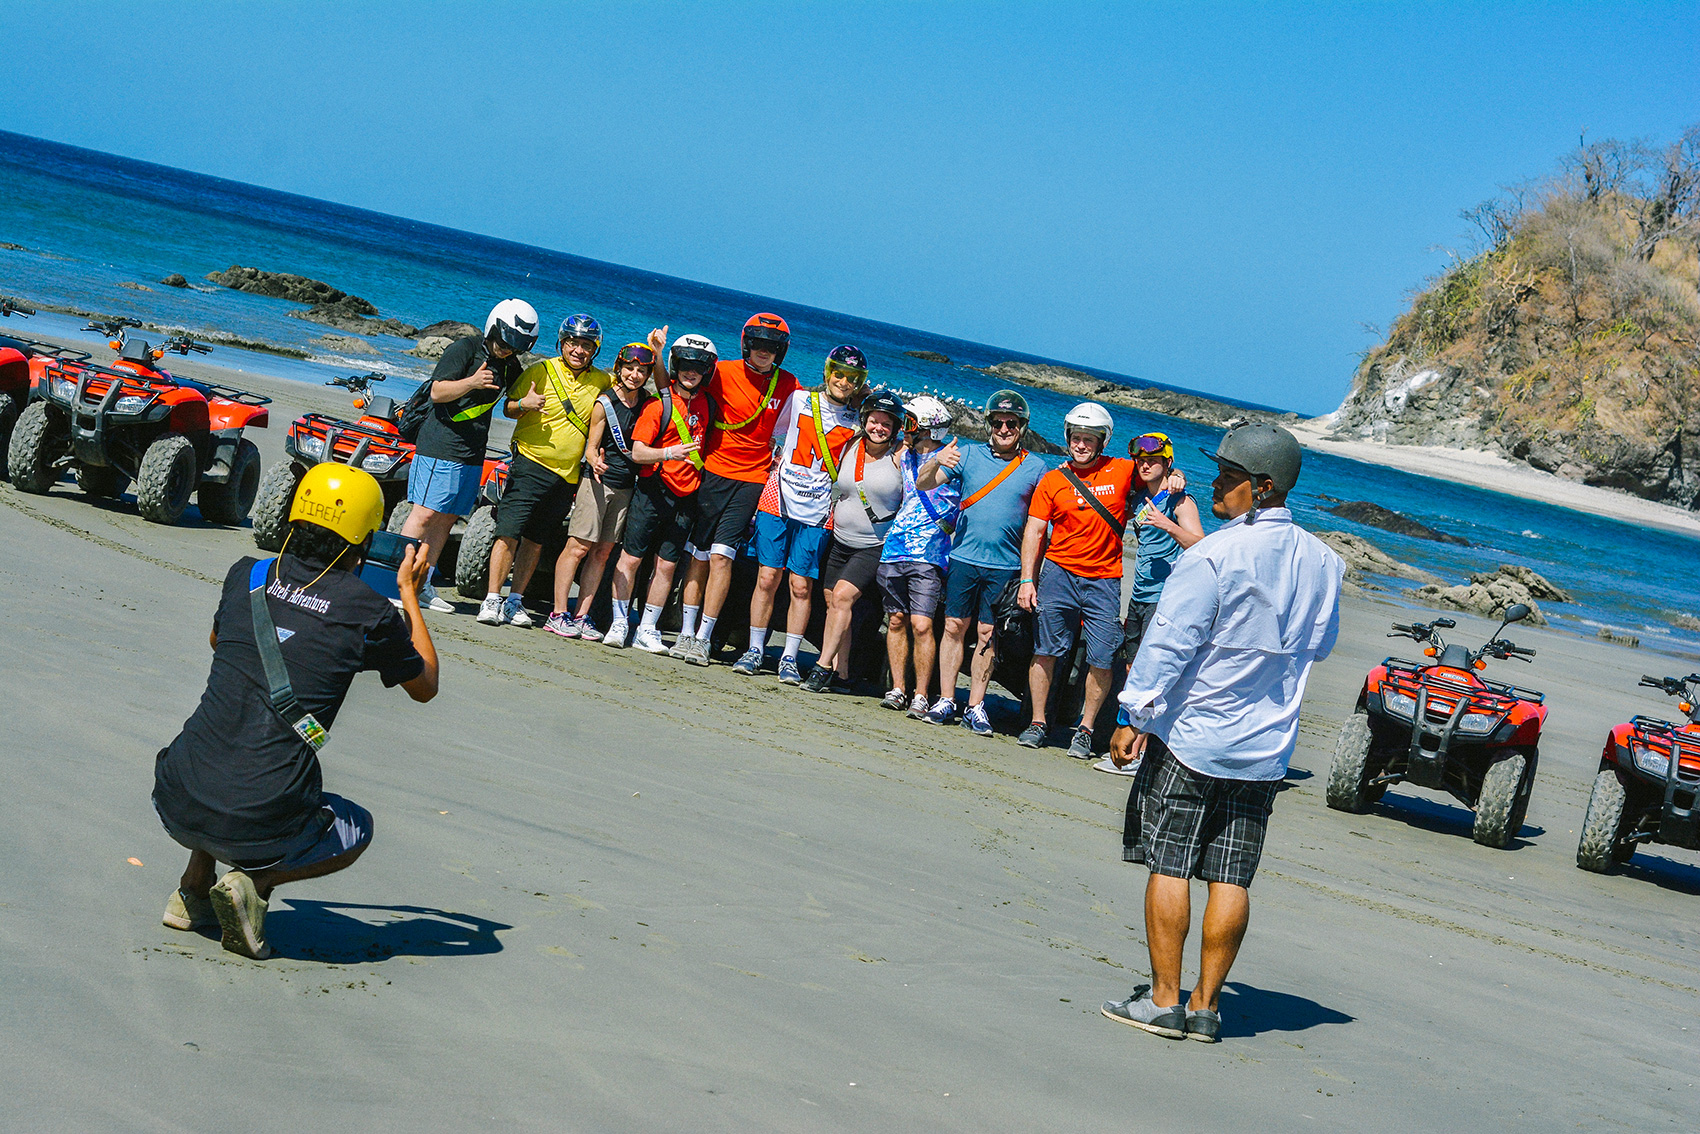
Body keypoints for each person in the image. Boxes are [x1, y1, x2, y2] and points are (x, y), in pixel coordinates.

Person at [1100, 423, 1342, 1043]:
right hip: (1266, 747)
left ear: (1262, 488)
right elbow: (1320, 645)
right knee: (1232, 875)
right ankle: (1206, 1007)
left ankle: (1164, 1000)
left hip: (1195, 735)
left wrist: (1133, 717)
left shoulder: (1213, 555)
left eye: (1229, 476)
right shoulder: (1323, 561)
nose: (1216, 482)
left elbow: (1167, 645)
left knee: (1171, 862)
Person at [153, 465, 440, 960]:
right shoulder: (367, 610)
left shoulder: (248, 573)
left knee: (232, 734)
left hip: (177, 789)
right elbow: (425, 686)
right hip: (258, 810)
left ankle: (192, 888)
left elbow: (218, 641)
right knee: (355, 826)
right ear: (363, 541)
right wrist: (410, 594)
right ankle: (257, 882)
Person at [913, 389, 1048, 734]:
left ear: (1022, 427)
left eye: (1012, 423)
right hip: (963, 558)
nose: (1004, 428)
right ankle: (945, 699)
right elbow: (922, 483)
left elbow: (1045, 519)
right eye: (998, 422)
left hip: (1005, 566)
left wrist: (1032, 575)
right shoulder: (968, 455)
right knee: (954, 627)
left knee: (988, 634)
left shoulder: (1036, 467)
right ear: (989, 424)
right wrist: (937, 460)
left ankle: (975, 705)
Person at [731, 345, 866, 683]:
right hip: (780, 498)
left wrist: (866, 398)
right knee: (767, 577)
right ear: (827, 372)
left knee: (801, 585)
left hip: (819, 509)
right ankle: (755, 648)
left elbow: (882, 433)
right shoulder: (799, 399)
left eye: (852, 377)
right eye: (838, 373)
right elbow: (770, 431)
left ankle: (789, 657)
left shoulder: (856, 421)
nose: (843, 381)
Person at [672, 313, 800, 666]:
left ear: (781, 351)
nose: (764, 351)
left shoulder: (789, 384)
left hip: (751, 480)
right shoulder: (720, 373)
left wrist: (860, 400)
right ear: (746, 343)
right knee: (697, 555)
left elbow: (817, 416)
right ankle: (685, 631)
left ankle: (704, 637)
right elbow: (678, 393)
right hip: (711, 472)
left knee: (722, 557)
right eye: (758, 344)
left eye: (772, 347)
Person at [1016, 402, 1140, 758]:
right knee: (1046, 650)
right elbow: (1035, 531)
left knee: (1101, 657)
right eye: (1076, 438)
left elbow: (1155, 473)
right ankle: (1038, 722)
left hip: (1104, 579)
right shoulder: (1053, 480)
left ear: (1103, 442)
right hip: (1058, 574)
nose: (1081, 445)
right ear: (1068, 438)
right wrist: (1028, 580)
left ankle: (1085, 730)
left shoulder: (1122, 470)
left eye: (1089, 439)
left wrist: (1175, 476)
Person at [400, 299, 535, 612]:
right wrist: (472, 382)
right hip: (440, 443)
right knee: (424, 514)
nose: (507, 350)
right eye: (503, 343)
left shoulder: (510, 365)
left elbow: (510, 404)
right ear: (492, 329)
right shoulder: (465, 349)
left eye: (515, 346)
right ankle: (399, 579)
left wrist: (526, 403)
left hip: (473, 451)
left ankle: (423, 583)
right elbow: (437, 392)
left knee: (447, 518)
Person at [478, 314, 611, 628]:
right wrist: (525, 403)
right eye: (573, 342)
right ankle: (492, 599)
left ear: (595, 349)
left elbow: (623, 397)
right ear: (562, 343)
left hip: (567, 475)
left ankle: (515, 601)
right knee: (508, 532)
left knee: (536, 540)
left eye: (586, 345)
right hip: (529, 463)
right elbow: (507, 407)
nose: (579, 350)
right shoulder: (541, 369)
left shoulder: (601, 380)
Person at [1096, 430, 1204, 775]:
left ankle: (1136, 754)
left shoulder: (1181, 501)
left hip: (1165, 598)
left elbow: (1201, 546)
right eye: (1140, 460)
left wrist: (1168, 524)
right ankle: (1129, 745)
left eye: (1152, 461)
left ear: (1167, 463)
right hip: (1139, 595)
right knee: (1131, 670)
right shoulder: (1141, 496)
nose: (1144, 466)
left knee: (1151, 675)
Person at [609, 331, 715, 654]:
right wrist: (669, 453)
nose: (690, 371)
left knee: (667, 566)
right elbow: (638, 452)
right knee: (631, 558)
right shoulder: (659, 405)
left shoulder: (709, 404)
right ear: (675, 364)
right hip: (653, 490)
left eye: (697, 367)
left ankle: (648, 628)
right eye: (684, 364)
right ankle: (618, 622)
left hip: (688, 498)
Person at [546, 339, 656, 641]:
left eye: (641, 370)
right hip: (597, 483)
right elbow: (591, 447)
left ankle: (582, 616)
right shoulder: (604, 402)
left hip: (625, 488)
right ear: (618, 368)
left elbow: (667, 387)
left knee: (602, 552)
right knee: (578, 547)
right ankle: (558, 613)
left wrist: (658, 352)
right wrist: (594, 461)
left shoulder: (647, 402)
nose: (634, 374)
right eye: (629, 368)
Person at [800, 388, 908, 693]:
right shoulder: (849, 445)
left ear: (896, 428)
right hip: (840, 540)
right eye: (874, 420)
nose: (879, 428)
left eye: (887, 424)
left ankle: (822, 667)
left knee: (843, 598)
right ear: (865, 419)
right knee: (834, 604)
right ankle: (843, 674)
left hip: (874, 545)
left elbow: (926, 466)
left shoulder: (900, 454)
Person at [877, 395, 960, 717]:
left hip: (929, 554)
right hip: (894, 548)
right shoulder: (903, 455)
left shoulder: (952, 460)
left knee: (922, 624)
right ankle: (898, 688)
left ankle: (922, 694)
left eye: (910, 424)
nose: (904, 430)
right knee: (896, 620)